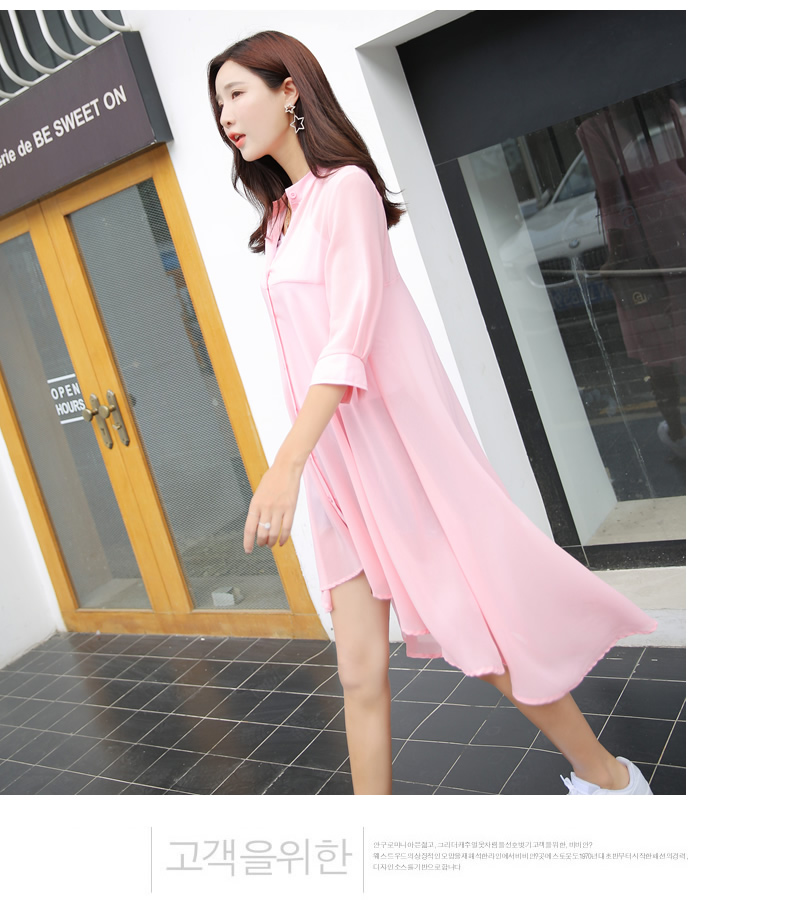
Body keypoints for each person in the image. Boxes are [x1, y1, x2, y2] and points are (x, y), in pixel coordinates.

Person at [208, 30, 659, 796]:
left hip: (389, 459)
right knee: (358, 673)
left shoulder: (346, 191)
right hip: (336, 471)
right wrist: (305, 466)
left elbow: (347, 341)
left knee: (481, 639)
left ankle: (612, 782)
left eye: (235, 94)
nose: (224, 116)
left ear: (289, 91)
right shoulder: (281, 219)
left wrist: (284, 464)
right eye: (217, 104)